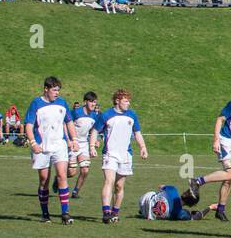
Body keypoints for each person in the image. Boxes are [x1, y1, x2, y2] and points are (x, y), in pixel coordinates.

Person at [188, 82, 231, 222]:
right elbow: (220, 119)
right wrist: (216, 140)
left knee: (229, 178)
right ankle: (197, 181)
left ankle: (220, 209)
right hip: (226, 141)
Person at [88, 88, 149, 224]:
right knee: (109, 181)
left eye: (129, 101)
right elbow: (95, 131)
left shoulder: (132, 115)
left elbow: (137, 133)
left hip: (126, 155)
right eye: (126, 101)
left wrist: (143, 147)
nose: (128, 104)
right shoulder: (106, 115)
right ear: (117, 101)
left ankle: (115, 212)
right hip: (110, 154)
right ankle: (106, 212)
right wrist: (92, 146)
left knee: (119, 186)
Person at [24, 76, 79, 225]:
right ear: (46, 89)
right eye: (54, 90)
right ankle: (45, 213)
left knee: (62, 175)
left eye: (58, 90)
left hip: (59, 145)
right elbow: (29, 125)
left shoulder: (62, 103)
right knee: (44, 180)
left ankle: (65, 213)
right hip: (42, 146)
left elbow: (69, 122)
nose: (57, 93)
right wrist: (33, 143)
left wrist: (74, 140)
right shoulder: (36, 103)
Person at [68, 92, 100, 199]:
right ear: (85, 102)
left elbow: (93, 130)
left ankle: (75, 192)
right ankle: (58, 178)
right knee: (72, 172)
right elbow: (66, 124)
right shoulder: (76, 112)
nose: (93, 104)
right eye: (91, 101)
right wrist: (69, 140)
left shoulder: (95, 116)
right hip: (73, 143)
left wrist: (95, 141)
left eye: (95, 102)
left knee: (85, 170)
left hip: (84, 144)